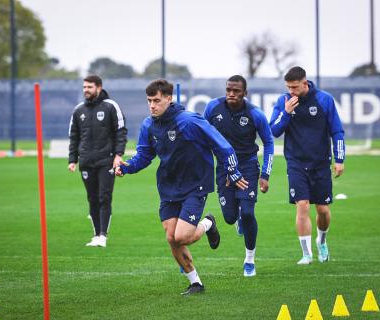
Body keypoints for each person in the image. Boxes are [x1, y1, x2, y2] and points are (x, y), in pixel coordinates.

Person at [115, 79, 247, 295]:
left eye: (156, 100)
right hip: (168, 187)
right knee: (171, 238)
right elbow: (144, 155)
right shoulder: (149, 125)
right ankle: (196, 283)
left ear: (169, 98)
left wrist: (233, 171)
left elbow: (223, 146)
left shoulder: (189, 121)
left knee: (182, 236)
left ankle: (207, 223)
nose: (152, 105)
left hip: (196, 184)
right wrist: (127, 167)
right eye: (149, 101)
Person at [270, 66, 345, 265]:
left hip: (320, 163)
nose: (291, 91)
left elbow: (337, 131)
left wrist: (339, 159)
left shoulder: (324, 100)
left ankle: (322, 240)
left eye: (294, 87)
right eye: (288, 87)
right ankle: (306, 254)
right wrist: (286, 113)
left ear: (305, 83)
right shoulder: (283, 101)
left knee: (322, 209)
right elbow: (274, 131)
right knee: (302, 205)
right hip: (295, 162)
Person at [204, 75, 274, 277]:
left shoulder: (255, 114)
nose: (231, 94)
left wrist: (265, 174)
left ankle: (249, 260)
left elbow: (269, 143)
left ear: (245, 93)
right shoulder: (212, 108)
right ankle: (237, 219)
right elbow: (202, 133)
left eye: (236, 91)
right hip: (224, 169)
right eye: (228, 90)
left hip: (247, 168)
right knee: (229, 217)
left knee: (249, 213)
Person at [68, 75, 127, 248]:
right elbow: (74, 136)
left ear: (99, 88)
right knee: (92, 199)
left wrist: (118, 154)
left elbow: (121, 131)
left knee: (104, 197)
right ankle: (95, 235)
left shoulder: (111, 106)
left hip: (106, 161)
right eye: (84, 87)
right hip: (86, 161)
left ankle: (103, 235)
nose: (86, 90)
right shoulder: (78, 110)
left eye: (89, 87)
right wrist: (73, 159)